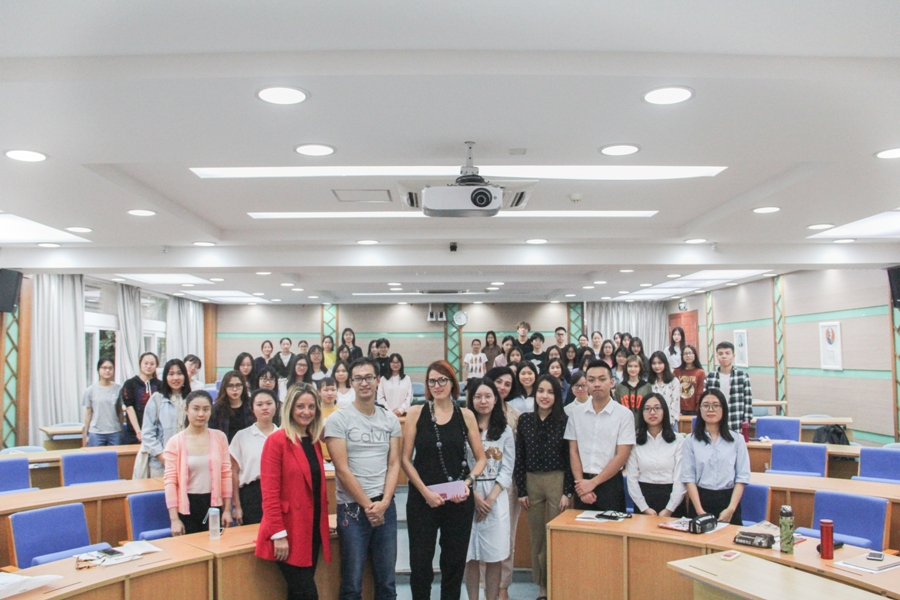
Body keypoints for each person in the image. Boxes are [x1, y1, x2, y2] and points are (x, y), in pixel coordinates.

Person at [401, 360, 486, 600]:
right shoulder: (416, 413)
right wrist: (425, 493)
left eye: (442, 380)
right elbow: (405, 459)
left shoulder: (466, 415)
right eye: (432, 381)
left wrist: (467, 484)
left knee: (453, 564)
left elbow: (481, 459)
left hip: (458, 499)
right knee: (420, 564)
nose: (437, 385)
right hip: (422, 499)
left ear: (452, 383)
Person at [325, 357, 403, 600]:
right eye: (358, 379)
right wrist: (369, 506)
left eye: (369, 377)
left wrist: (384, 502)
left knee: (387, 584)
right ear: (350, 383)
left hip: (385, 507)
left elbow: (394, 464)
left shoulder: (390, 419)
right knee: (352, 585)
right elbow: (342, 470)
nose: (364, 383)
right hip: (352, 510)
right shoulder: (338, 420)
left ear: (378, 380)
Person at [256, 384, 331, 600]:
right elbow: (269, 493)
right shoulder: (276, 440)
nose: (306, 412)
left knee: (297, 594)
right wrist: (278, 534)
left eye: (311, 406)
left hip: (311, 529)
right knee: (308, 594)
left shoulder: (313, 440)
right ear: (289, 408)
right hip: (289, 531)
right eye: (300, 406)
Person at [515, 374, 572, 599]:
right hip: (532, 481)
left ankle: (558, 584)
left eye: (550, 392)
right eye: (540, 391)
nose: (544, 396)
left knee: (555, 535)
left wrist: (567, 491)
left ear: (557, 395)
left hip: (557, 480)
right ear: (534, 393)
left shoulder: (564, 421)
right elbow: (520, 456)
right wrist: (522, 490)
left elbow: (570, 458)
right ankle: (542, 588)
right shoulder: (525, 420)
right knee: (537, 537)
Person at [463, 378, 515, 600]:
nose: (483, 401)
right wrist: (473, 496)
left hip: (496, 498)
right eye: (478, 396)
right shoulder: (463, 428)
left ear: (495, 400)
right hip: (468, 495)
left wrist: (490, 499)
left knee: (495, 557)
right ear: (471, 400)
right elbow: (460, 465)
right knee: (470, 557)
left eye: (488, 396)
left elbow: (507, 469)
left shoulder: (505, 431)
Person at [565, 361, 635, 511]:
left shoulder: (624, 415)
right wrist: (582, 486)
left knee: (611, 526)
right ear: (586, 384)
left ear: (612, 382)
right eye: (591, 380)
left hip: (610, 483)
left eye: (602, 379)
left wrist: (593, 483)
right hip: (582, 483)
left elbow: (622, 455)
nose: (596, 384)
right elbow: (573, 451)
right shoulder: (576, 414)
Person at [164, 390, 233, 535]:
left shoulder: (220, 437)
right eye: (196, 409)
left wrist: (227, 510)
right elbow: (170, 481)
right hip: (187, 506)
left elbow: (226, 474)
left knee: (217, 544)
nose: (201, 414)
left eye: (206, 409)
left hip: (214, 505)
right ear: (186, 410)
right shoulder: (175, 442)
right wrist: (174, 519)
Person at [680, 389, 751, 525]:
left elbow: (742, 477)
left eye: (716, 405)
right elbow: (688, 478)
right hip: (700, 500)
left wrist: (731, 509)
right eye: (706, 405)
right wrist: (700, 511)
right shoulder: (690, 440)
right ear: (700, 409)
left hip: (729, 501)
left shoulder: (737, 439)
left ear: (723, 409)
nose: (710, 409)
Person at [483, 366, 522, 600]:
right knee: (481, 537)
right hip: (480, 484)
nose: (502, 387)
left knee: (507, 537)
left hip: (508, 484)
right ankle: (484, 588)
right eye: (498, 382)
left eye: (508, 384)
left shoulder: (515, 415)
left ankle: (502, 587)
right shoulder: (474, 411)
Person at [626, 394, 686, 517]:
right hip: (644, 499)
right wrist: (644, 508)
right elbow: (631, 479)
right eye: (647, 409)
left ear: (665, 411)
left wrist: (669, 509)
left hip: (673, 499)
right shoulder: (635, 441)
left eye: (657, 408)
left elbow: (680, 479)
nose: (652, 412)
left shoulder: (678, 441)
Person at [230, 389, 279, 526]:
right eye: (259, 404)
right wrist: (237, 506)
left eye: (269, 403)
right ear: (252, 408)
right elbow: (234, 473)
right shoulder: (242, 436)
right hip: (251, 494)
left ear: (276, 405)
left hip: (279, 492)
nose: (265, 407)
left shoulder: (285, 435)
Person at [141, 358, 191, 477]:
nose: (175, 378)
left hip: (188, 461)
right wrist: (163, 457)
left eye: (179, 373)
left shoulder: (192, 398)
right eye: (171, 374)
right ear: (165, 377)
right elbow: (147, 434)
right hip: (160, 464)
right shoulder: (156, 399)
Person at [705, 342, 753, 433]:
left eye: (727, 353)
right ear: (717, 356)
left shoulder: (742, 376)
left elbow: (748, 401)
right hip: (715, 420)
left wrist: (746, 423)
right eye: (720, 354)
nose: (724, 356)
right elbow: (705, 401)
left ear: (733, 356)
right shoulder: (710, 377)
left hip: (735, 420)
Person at [120, 352, 161, 445]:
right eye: (146, 363)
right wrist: (138, 432)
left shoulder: (160, 385)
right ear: (140, 364)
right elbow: (129, 408)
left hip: (155, 430)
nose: (148, 366)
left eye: (152, 364)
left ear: (156, 366)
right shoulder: (130, 384)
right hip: (134, 431)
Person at [82, 357, 123, 447]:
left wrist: (122, 430)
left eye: (110, 368)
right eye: (104, 368)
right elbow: (88, 413)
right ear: (98, 370)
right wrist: (86, 433)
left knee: (115, 456)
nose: (107, 370)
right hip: (96, 432)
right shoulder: (90, 390)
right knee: (95, 456)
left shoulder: (119, 389)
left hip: (114, 431)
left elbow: (120, 411)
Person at [209, 370, 255, 442]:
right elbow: (213, 434)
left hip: (248, 444)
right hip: (225, 445)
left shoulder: (251, 405)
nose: (235, 389)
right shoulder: (217, 408)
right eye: (230, 386)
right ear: (224, 387)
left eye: (238, 385)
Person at [614, 355, 653, 426]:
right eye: (630, 366)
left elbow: (650, 407)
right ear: (626, 368)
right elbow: (616, 408)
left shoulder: (647, 386)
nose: (633, 369)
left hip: (643, 426)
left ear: (640, 368)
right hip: (624, 425)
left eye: (636, 366)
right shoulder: (620, 387)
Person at [648, 351, 682, 427]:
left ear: (665, 364)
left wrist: (667, 420)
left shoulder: (674, 381)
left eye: (660, 363)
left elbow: (675, 403)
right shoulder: (649, 382)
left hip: (670, 421)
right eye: (654, 363)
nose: (657, 366)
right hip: (653, 421)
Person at [674, 345, 705, 416]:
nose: (688, 356)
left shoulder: (700, 372)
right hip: (679, 409)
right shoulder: (676, 372)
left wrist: (698, 409)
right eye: (685, 354)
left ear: (695, 355)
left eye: (690, 353)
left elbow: (699, 392)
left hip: (694, 410)